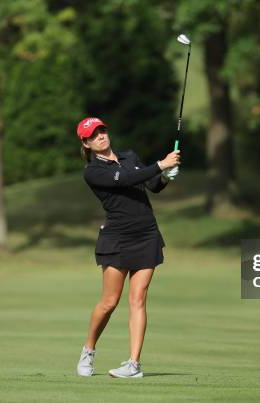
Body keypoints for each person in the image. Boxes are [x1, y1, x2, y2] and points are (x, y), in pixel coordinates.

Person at [75, 117, 180, 378]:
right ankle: (89, 349)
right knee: (110, 302)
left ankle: (134, 364)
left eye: (102, 130)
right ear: (86, 143)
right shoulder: (93, 171)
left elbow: (152, 185)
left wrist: (166, 175)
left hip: (146, 234)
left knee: (138, 299)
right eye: (94, 135)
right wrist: (160, 164)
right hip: (118, 238)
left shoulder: (129, 156)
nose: (100, 136)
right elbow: (124, 180)